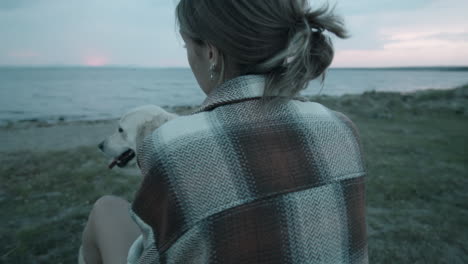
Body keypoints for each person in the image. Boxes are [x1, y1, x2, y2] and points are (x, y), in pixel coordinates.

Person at [79, 0, 368, 263]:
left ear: (211, 52)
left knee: (106, 209)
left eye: (186, 47)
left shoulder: (171, 147)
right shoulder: (341, 127)